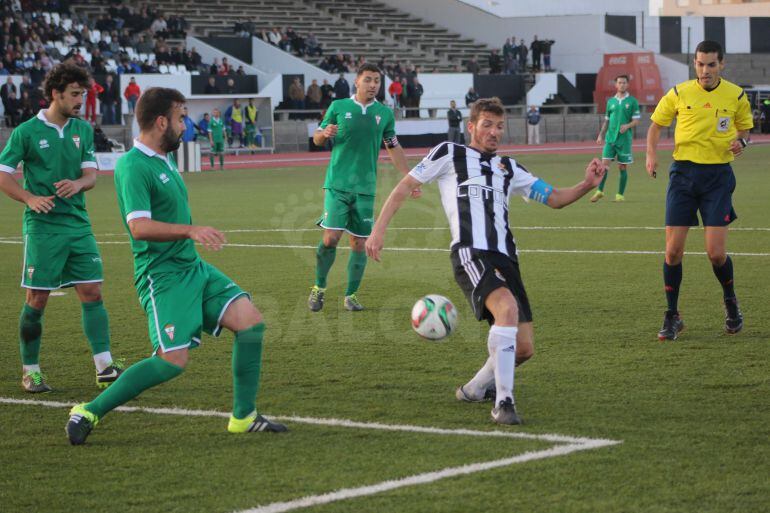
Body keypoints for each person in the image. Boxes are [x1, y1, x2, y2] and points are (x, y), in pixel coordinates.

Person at [65, 87, 287, 445]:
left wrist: (189, 237)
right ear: (161, 121)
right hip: (162, 276)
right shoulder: (133, 166)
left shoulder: (163, 158)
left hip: (192, 267)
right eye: (182, 118)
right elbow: (139, 227)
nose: (186, 126)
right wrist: (191, 229)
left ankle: (243, 417)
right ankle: (89, 410)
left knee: (251, 325)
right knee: (172, 361)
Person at [365, 97, 605, 425]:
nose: (494, 132)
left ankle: (475, 388)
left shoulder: (509, 168)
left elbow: (553, 198)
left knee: (523, 349)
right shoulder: (450, 153)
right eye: (487, 125)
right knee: (505, 308)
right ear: (472, 126)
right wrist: (378, 230)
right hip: (469, 251)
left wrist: (586, 184)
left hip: (507, 256)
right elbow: (405, 187)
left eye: (500, 126)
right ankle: (504, 402)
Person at [0, 63, 125, 393]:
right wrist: (28, 198)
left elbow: (91, 176)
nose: (80, 100)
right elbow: (3, 174)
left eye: (83, 94)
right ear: (55, 94)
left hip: (78, 225)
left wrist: (78, 183)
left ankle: (104, 366)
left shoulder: (82, 129)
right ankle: (31, 371)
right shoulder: (26, 131)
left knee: (92, 291)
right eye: (74, 94)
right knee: (37, 298)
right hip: (43, 228)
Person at [646, 40, 753, 341]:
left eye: (711, 64)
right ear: (694, 63)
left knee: (716, 254)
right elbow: (655, 125)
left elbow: (745, 128)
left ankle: (731, 302)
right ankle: (672, 315)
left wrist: (741, 142)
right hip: (683, 175)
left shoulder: (736, 95)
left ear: (722, 64)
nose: (704, 70)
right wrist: (651, 154)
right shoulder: (679, 92)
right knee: (672, 251)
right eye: (700, 64)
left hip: (717, 177)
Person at [308, 63, 421, 312]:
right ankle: (319, 287)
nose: (372, 85)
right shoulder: (339, 107)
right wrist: (324, 133)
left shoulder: (384, 114)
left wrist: (409, 178)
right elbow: (316, 138)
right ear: (357, 82)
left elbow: (393, 146)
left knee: (359, 243)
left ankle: (351, 295)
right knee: (330, 238)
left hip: (366, 187)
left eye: (376, 81)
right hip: (337, 184)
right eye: (368, 80)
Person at [592, 75, 640, 202]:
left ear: (627, 85)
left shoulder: (632, 101)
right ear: (616, 85)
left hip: (624, 140)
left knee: (622, 167)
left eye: (624, 82)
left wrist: (627, 125)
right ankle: (600, 191)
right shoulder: (610, 102)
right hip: (610, 139)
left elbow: (636, 121)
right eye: (619, 82)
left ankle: (620, 195)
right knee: (603, 166)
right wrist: (601, 134)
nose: (622, 85)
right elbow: (606, 121)